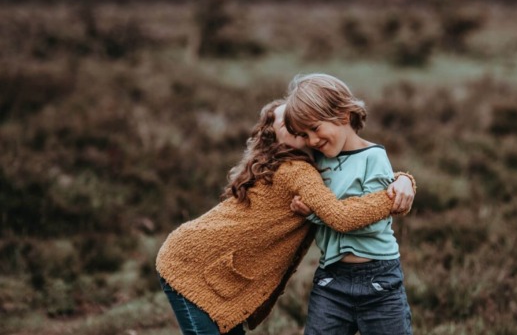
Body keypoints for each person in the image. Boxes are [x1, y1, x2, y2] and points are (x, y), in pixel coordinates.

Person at [155, 99, 416, 335]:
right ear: (275, 137)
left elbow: (351, 178)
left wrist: (403, 179)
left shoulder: (316, 163)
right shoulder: (296, 170)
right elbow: (342, 214)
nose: (295, 121)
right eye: (287, 121)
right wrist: (392, 197)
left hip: (205, 264)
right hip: (188, 264)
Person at [284, 73, 415, 335]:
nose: (311, 140)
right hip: (331, 279)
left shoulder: (374, 157)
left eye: (315, 128)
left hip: (379, 280)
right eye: (304, 134)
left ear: (343, 116)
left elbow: (371, 221)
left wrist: (315, 214)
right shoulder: (318, 163)